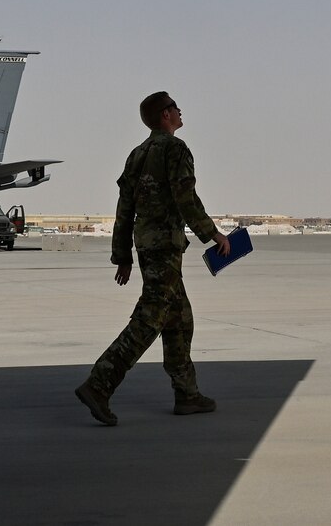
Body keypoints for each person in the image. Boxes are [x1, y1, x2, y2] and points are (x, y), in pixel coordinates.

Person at [74, 91, 230, 426]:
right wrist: (212, 234)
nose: (179, 111)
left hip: (147, 247)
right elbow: (185, 196)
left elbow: (124, 210)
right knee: (150, 319)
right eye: (175, 108)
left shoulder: (137, 155)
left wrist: (123, 255)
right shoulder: (175, 149)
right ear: (165, 115)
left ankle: (187, 394)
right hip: (165, 246)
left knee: (179, 318)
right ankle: (99, 384)